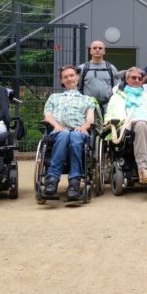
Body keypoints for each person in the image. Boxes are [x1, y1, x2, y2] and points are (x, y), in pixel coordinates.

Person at [42, 66, 97, 200]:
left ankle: (74, 183)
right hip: (58, 131)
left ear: (77, 77)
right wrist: (57, 125)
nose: (69, 79)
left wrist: (84, 126)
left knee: (75, 136)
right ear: (62, 80)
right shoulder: (54, 97)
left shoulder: (88, 99)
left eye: (72, 75)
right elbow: (47, 116)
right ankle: (52, 181)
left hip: (79, 131)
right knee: (65, 134)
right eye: (65, 77)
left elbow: (90, 119)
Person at [78, 40, 118, 114]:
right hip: (88, 107)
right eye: (94, 48)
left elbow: (116, 89)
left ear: (104, 51)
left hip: (108, 107)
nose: (97, 50)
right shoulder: (82, 68)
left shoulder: (111, 68)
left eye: (100, 48)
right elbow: (78, 88)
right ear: (90, 51)